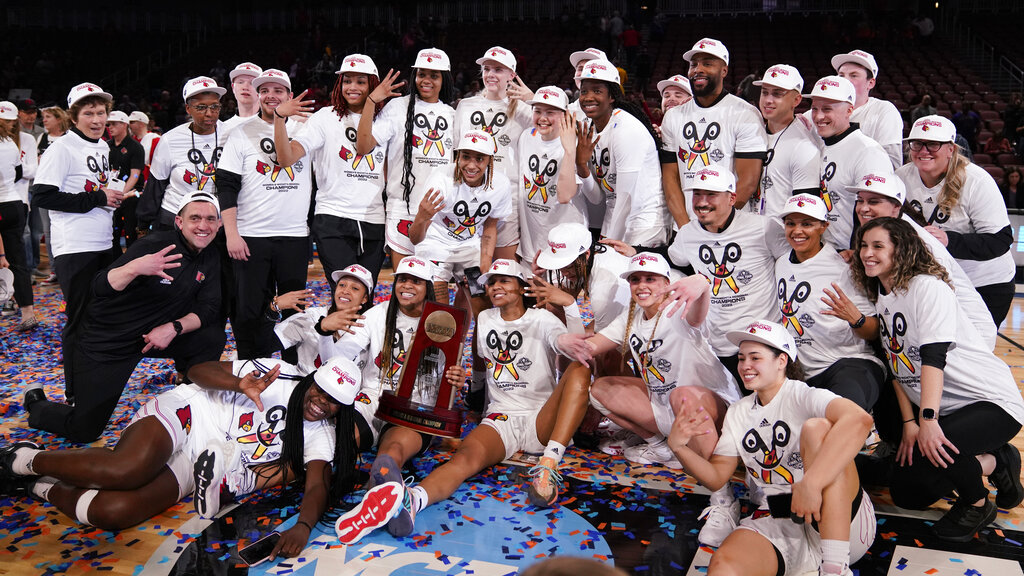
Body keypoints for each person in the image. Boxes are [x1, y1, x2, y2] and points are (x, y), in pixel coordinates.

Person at [0, 357, 362, 562]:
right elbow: (198, 371)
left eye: (333, 401)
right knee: (126, 468)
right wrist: (238, 384)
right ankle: (22, 459)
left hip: (205, 460)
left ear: (342, 409)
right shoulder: (278, 373)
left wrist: (303, 526)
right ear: (312, 379)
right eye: (320, 389)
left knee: (110, 512)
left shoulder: (323, 433)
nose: (320, 401)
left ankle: (36, 487)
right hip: (192, 412)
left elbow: (317, 483)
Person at [334, 259, 592, 544]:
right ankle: (412, 500)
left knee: (581, 368)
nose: (496, 287)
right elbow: (481, 367)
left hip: (540, 415)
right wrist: (470, 395)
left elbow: (574, 347)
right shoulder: (484, 320)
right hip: (500, 416)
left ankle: (549, 463)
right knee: (464, 460)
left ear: (521, 287)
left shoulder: (542, 319)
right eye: (491, 282)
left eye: (504, 281)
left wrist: (570, 307)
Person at [849, 217, 1024, 541]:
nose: (867, 253)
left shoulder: (926, 287)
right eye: (863, 245)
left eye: (877, 246)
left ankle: (976, 503)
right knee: (907, 493)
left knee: (939, 442)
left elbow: (933, 358)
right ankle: (994, 460)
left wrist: (927, 420)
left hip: (989, 402)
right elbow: (897, 363)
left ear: (901, 249)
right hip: (941, 408)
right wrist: (910, 423)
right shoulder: (885, 294)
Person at [667, 320, 876, 576]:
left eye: (755, 358)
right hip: (778, 514)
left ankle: (835, 568)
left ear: (782, 361)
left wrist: (810, 484)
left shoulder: (803, 395)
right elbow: (716, 477)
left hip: (840, 520)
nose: (745, 366)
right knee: (723, 568)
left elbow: (860, 420)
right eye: (742, 358)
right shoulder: (738, 411)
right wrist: (679, 447)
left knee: (817, 428)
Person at [23, 192, 226, 443]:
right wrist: (134, 268)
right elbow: (98, 287)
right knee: (84, 429)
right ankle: (37, 405)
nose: (203, 226)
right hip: (108, 342)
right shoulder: (154, 246)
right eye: (195, 218)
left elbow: (209, 308)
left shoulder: (212, 255)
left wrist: (174, 327)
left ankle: (188, 400)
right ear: (179, 222)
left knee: (212, 336)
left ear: (219, 224)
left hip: (153, 335)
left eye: (210, 219)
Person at [334, 256, 465, 496]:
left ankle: (376, 498)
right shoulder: (378, 313)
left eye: (416, 281)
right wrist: (327, 331)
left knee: (391, 454)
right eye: (402, 279)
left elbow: (448, 376)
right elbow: (342, 352)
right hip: (374, 399)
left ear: (428, 288)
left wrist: (457, 376)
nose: (406, 286)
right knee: (341, 439)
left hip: (416, 407)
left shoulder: (444, 322)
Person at [217, 69, 313, 360]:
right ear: (258, 96)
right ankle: (249, 363)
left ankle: (293, 367)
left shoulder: (306, 128)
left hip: (294, 235)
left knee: (293, 308)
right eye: (265, 90)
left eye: (278, 90)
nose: (271, 95)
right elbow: (227, 185)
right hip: (251, 236)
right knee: (248, 307)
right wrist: (232, 234)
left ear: (289, 95)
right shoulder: (241, 133)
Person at [273, 54, 390, 286]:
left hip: (375, 220)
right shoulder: (324, 118)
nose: (352, 87)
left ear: (373, 85)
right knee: (345, 293)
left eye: (360, 81)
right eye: (347, 81)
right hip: (333, 218)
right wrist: (279, 118)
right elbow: (286, 159)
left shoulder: (387, 118)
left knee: (365, 297)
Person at [667, 167, 787, 386]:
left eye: (711, 195)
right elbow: (673, 259)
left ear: (732, 198)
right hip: (716, 347)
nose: (702, 202)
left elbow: (796, 260)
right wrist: (634, 251)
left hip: (761, 344)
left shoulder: (763, 228)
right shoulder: (687, 234)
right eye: (697, 194)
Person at [897, 115, 1015, 327]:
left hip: (985, 283)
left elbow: (1000, 241)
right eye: (916, 144)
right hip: (936, 280)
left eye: (933, 144)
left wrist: (948, 240)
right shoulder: (901, 177)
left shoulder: (977, 181)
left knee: (972, 353)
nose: (923, 151)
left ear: (950, 149)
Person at [31, 83, 123, 344]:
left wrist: (108, 198)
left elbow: (93, 190)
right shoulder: (62, 147)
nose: (97, 120)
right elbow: (42, 196)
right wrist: (98, 197)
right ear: (73, 117)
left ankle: (96, 374)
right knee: (80, 320)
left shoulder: (103, 146)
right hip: (74, 246)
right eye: (89, 114)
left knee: (101, 314)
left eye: (101, 112)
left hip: (103, 241)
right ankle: (76, 382)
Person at [774, 194, 883, 411]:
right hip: (802, 373)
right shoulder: (781, 263)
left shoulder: (844, 267)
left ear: (823, 226)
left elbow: (875, 331)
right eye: (791, 223)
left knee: (843, 416)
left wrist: (857, 319)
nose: (797, 231)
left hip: (848, 363)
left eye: (807, 224)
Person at [358, 48, 456, 267]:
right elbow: (363, 147)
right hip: (401, 208)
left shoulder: (452, 115)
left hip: (438, 211)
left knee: (435, 286)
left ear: (444, 79)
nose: (426, 80)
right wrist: (371, 102)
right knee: (404, 280)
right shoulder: (397, 107)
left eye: (434, 75)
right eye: (422, 74)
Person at [661, 38, 767, 228]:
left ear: (724, 70)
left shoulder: (745, 114)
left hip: (730, 227)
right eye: (694, 65)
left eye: (707, 64)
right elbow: (670, 179)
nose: (698, 69)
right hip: (686, 227)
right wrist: (687, 228)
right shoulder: (673, 117)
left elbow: (748, 182)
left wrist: (715, 225)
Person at [575, 58, 668, 246]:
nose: (588, 97)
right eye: (584, 91)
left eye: (597, 91)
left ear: (612, 96)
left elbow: (627, 197)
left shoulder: (626, 129)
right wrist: (581, 165)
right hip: (615, 216)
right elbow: (597, 198)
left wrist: (609, 244)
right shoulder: (589, 129)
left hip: (644, 221)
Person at [455, 46, 534, 261]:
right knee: (469, 276)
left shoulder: (525, 110)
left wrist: (532, 100)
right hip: (469, 198)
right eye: (487, 69)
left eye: (498, 69)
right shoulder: (466, 106)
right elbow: (455, 152)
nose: (490, 74)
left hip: (508, 198)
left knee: (504, 271)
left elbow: (553, 135)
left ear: (512, 75)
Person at [806, 75, 893, 250]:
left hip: (853, 255)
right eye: (814, 108)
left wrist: (858, 251)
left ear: (849, 110)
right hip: (827, 251)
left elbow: (880, 214)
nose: (818, 116)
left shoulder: (867, 151)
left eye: (827, 109)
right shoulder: (821, 145)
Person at [139, 76, 227, 231]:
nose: (209, 113)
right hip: (175, 217)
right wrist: (143, 225)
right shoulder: (170, 140)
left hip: (218, 219)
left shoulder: (232, 134)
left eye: (215, 107)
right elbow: (156, 185)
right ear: (188, 109)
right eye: (201, 107)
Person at [516, 86, 585, 269]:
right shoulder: (526, 137)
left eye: (550, 112)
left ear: (564, 115)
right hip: (531, 246)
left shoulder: (577, 144)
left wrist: (570, 150)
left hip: (565, 247)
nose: (543, 118)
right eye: (537, 111)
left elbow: (564, 196)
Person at [272, 264, 374, 375]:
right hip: (307, 387)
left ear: (364, 298)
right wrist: (273, 308)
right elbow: (264, 344)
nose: (345, 291)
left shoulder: (371, 327)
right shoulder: (312, 317)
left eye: (354, 288)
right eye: (342, 285)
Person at [751, 65, 821, 218]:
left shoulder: (804, 147)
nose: (768, 100)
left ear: (796, 100)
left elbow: (806, 211)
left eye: (777, 94)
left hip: (782, 236)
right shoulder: (751, 132)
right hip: (750, 232)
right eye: (764, 92)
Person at [0, 100, 39, 331]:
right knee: (18, 261)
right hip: (15, 203)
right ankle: (27, 313)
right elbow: (17, 173)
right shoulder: (11, 145)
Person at [831, 49, 904, 168]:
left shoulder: (884, 110)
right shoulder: (821, 111)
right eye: (841, 75)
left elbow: (892, 163)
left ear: (870, 83)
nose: (845, 80)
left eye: (854, 75)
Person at [34, 106, 69, 285]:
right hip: (46, 191)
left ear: (58, 118)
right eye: (43, 117)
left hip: (64, 192)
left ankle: (66, 269)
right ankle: (55, 270)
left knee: (64, 229)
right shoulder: (41, 138)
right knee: (48, 232)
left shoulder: (69, 138)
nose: (44, 120)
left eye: (48, 117)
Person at [106, 110, 145, 250]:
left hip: (131, 195)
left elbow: (135, 175)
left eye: (114, 124)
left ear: (124, 125)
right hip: (112, 195)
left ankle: (132, 264)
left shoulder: (135, 147)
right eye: (108, 124)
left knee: (130, 232)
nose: (110, 127)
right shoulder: (106, 146)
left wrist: (122, 193)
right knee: (112, 232)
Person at [222, 62, 263, 133]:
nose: (245, 87)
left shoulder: (278, 126)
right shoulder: (224, 129)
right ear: (233, 88)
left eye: (252, 83)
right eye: (240, 82)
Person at [128, 111, 159, 183]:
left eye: (132, 122)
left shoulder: (155, 140)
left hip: (149, 181)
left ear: (141, 124)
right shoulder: (129, 141)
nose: (129, 125)